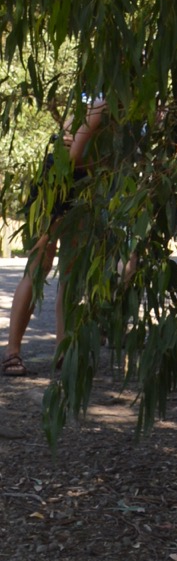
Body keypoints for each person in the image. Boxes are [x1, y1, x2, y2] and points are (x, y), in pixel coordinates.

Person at [4, 100, 106, 376]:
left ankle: (63, 349)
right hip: (59, 181)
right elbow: (72, 156)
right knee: (39, 266)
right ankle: (12, 352)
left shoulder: (121, 111)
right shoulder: (101, 106)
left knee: (71, 271)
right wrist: (107, 162)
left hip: (84, 186)